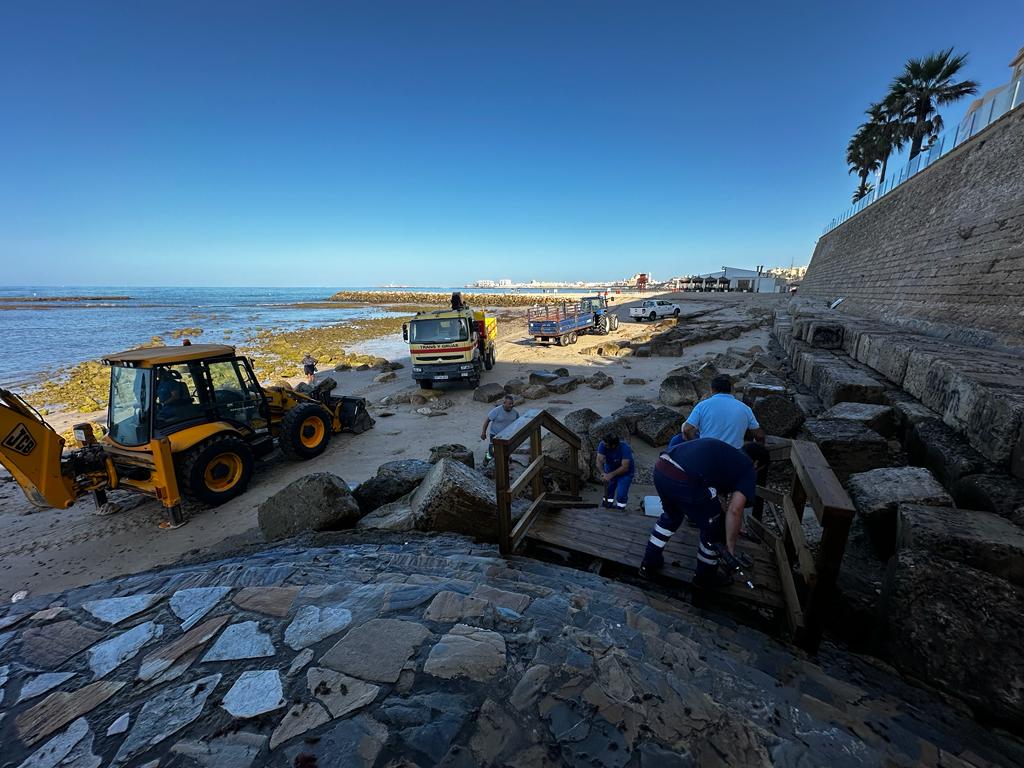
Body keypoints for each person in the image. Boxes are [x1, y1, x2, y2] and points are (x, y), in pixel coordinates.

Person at [640, 438, 771, 588]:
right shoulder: (748, 467)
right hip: (685, 479)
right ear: (756, 463)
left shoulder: (726, 455)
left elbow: (719, 498)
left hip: (662, 468)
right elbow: (735, 510)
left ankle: (648, 564)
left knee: (672, 517)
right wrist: (730, 547)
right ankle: (705, 577)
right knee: (714, 530)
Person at [680, 374, 765, 448]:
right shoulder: (745, 408)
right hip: (733, 453)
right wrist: (760, 448)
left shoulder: (702, 405)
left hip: (707, 450)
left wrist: (695, 443)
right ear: (731, 390)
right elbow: (759, 435)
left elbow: (686, 429)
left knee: (677, 440)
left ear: (712, 390)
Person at [596, 433, 634, 509]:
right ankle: (606, 506)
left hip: (625, 474)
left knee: (621, 494)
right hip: (610, 468)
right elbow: (599, 461)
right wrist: (603, 473)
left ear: (613, 445)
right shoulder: (603, 444)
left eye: (606, 445)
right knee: (609, 491)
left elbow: (625, 467)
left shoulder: (625, 448)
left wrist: (610, 475)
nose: (604, 445)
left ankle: (620, 509)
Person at [480, 394, 520, 463]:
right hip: (495, 434)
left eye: (512, 404)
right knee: (492, 451)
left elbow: (518, 422)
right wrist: (483, 432)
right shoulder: (496, 411)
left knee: (506, 449)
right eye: (509, 404)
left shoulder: (515, 412)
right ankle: (487, 458)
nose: (511, 405)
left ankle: (505, 460)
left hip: (507, 435)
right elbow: (487, 421)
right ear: (504, 403)